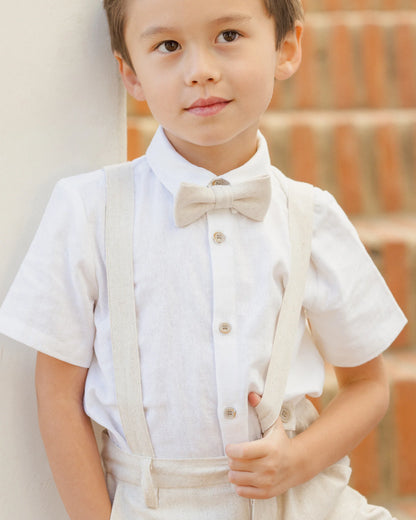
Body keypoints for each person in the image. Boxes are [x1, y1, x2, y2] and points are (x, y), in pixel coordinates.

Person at [0, 0, 407, 518]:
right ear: (131, 73)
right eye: (168, 45)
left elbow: (367, 386)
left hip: (305, 504)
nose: (201, 71)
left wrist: (298, 460)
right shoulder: (88, 211)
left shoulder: (311, 215)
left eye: (228, 36)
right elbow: (58, 396)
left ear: (286, 48)